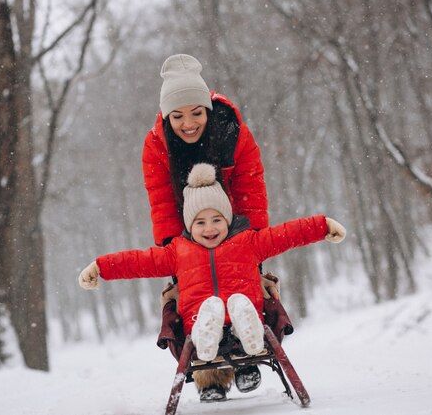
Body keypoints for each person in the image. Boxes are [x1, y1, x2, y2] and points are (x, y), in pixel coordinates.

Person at [78, 163, 346, 402]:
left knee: (242, 308)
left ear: (228, 219)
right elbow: (138, 261)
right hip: (201, 321)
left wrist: (322, 226)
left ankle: (249, 334)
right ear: (189, 226)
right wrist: (101, 267)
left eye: (217, 219)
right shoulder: (178, 252)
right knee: (206, 315)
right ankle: (207, 339)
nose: (210, 228)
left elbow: (286, 234)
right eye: (200, 222)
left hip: (245, 315)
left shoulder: (247, 242)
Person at [143, 53, 278, 393]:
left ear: (208, 109)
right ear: (166, 116)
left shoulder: (233, 133)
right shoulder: (157, 146)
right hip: (187, 229)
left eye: (196, 113)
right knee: (196, 295)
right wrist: (177, 254)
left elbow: (251, 191)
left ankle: (246, 355)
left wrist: (253, 246)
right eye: (178, 116)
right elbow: (161, 203)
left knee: (240, 284)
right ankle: (207, 374)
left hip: (232, 221)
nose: (188, 122)